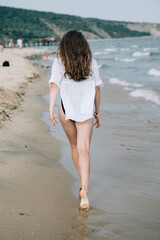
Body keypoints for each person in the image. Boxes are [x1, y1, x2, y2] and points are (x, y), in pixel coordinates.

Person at [49, 30, 103, 211]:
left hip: (66, 110)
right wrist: (97, 112)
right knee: (84, 149)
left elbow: (54, 85)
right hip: (85, 112)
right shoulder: (91, 63)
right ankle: (85, 190)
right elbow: (96, 90)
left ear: (64, 47)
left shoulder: (59, 63)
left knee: (73, 146)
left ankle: (82, 182)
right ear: (83, 46)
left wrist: (51, 109)